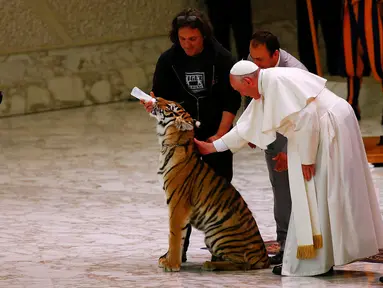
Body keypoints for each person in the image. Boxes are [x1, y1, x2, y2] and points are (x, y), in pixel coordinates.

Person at [194, 60, 383, 276]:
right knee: (319, 191)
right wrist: (213, 147)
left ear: (248, 80)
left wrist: (307, 159)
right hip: (319, 130)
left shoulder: (275, 83)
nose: (243, 95)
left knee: (320, 190)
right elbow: (248, 126)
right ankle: (320, 258)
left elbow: (307, 118)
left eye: (240, 90)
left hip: (327, 128)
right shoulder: (265, 83)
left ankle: (316, 261)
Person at [141, 8, 242, 263]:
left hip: (214, 132)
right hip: (179, 139)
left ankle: (222, 250)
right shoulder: (168, 60)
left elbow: (232, 101)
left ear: (203, 36)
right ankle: (179, 250)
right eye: (183, 39)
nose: (187, 44)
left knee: (218, 191)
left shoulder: (221, 57)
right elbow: (160, 99)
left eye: (193, 39)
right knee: (179, 195)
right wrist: (152, 106)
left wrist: (219, 137)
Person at [246, 31, 308, 265]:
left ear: (275, 55)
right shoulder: (256, 62)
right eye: (252, 59)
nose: (255, 65)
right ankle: (284, 243)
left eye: (260, 60)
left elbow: (304, 118)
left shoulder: (295, 73)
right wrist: (253, 128)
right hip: (273, 125)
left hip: (296, 131)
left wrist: (289, 152)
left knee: (296, 190)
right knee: (279, 187)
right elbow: (253, 94)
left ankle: (299, 245)